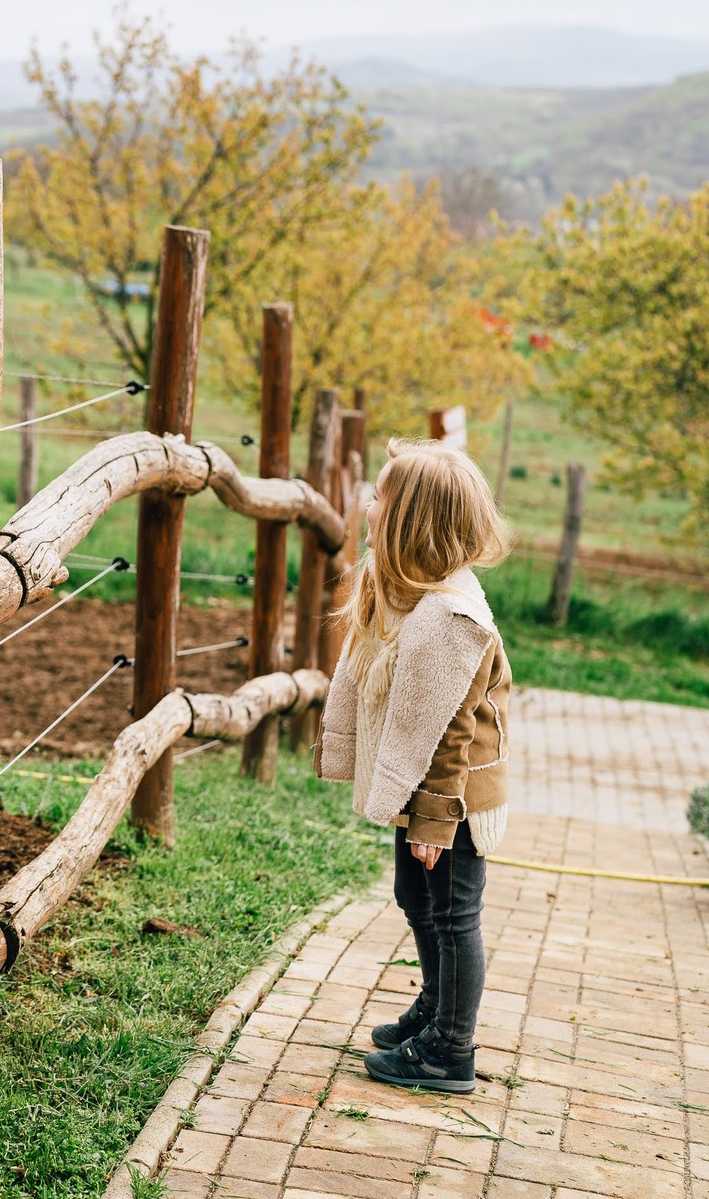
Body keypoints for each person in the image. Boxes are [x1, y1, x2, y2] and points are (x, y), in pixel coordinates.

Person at [317, 438, 513, 1095]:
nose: (368, 505)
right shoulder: (407, 594)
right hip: (425, 788)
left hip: (454, 797)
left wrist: (433, 821)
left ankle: (450, 1048)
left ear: (410, 519)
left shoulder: (450, 618)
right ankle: (434, 1006)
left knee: (455, 916)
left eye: (380, 497)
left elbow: (454, 731)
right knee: (415, 897)